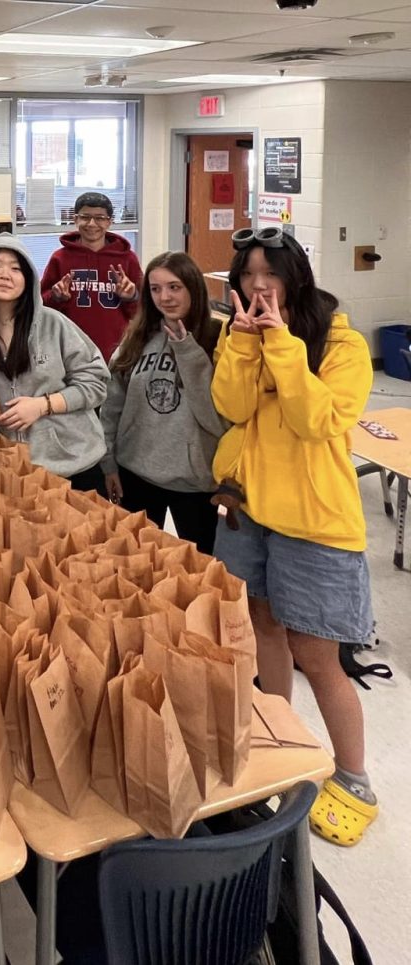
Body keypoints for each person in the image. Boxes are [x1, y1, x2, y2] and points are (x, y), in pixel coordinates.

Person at [211, 226, 377, 845]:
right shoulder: (240, 327)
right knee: (262, 631)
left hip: (314, 519)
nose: (259, 285)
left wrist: (280, 344)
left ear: (296, 276)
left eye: (271, 272)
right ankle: (278, 734)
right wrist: (245, 344)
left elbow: (319, 422)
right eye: (248, 272)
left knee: (318, 654)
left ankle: (355, 775)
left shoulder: (342, 342)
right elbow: (232, 405)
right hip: (249, 507)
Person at [0, 234, 108, 491]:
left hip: (71, 465)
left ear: (29, 279)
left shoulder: (54, 323)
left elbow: (97, 382)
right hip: (9, 471)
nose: (5, 274)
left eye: (16, 268)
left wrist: (42, 405)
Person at [101, 252, 225, 553]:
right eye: (155, 289)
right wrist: (108, 465)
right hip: (136, 473)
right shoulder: (138, 338)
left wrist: (186, 351)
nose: (164, 297)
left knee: (198, 572)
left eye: (174, 287)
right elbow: (111, 409)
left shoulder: (216, 338)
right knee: (135, 562)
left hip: (195, 483)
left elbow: (216, 420)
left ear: (193, 287)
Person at [40, 191, 143, 361]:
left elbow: (142, 311)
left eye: (100, 218)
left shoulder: (127, 259)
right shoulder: (60, 258)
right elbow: (41, 306)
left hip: (116, 351)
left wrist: (132, 297)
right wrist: (56, 297)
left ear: (109, 222)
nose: (92, 223)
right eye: (85, 217)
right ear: (75, 220)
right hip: (70, 350)